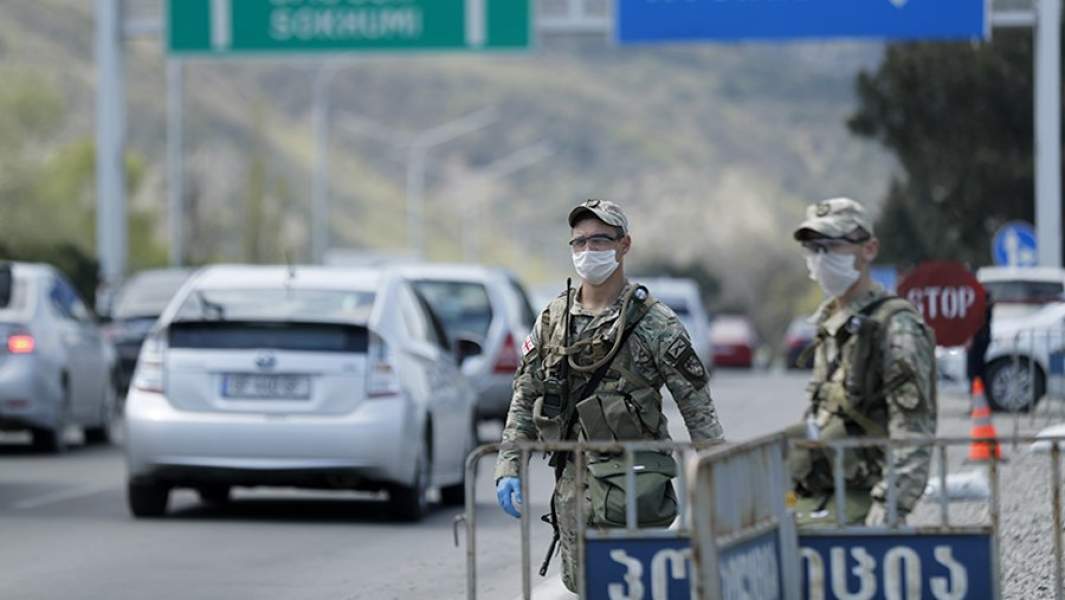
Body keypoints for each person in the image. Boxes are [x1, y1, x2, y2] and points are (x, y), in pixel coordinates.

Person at [493, 199, 725, 592]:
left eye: (600, 240)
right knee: (583, 584)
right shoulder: (554, 318)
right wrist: (508, 465)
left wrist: (722, 477)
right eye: (579, 243)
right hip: (572, 487)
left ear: (624, 245)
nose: (588, 251)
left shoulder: (656, 323)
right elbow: (526, 394)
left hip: (633, 489)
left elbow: (697, 407)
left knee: (634, 587)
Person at [789, 198, 937, 527]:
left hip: (863, 500)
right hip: (820, 492)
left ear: (869, 249)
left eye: (833, 246)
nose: (820, 258)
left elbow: (913, 433)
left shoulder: (895, 326)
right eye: (813, 248)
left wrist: (888, 511)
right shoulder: (830, 323)